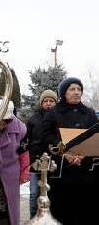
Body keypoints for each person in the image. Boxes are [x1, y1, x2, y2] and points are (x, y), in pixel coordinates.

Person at [41, 77, 98, 225]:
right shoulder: (53, 113)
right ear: (64, 93)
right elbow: (46, 135)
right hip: (61, 170)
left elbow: (95, 136)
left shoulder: (89, 114)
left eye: (79, 89)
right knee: (61, 211)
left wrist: (85, 153)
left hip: (84, 171)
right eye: (72, 89)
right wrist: (64, 153)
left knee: (84, 210)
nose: (76, 92)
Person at [26, 89, 57, 218]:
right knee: (34, 193)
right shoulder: (33, 119)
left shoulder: (60, 119)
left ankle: (51, 218)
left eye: (51, 101)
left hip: (54, 164)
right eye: (46, 101)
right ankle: (33, 218)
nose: (48, 103)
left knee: (52, 194)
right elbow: (26, 140)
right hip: (36, 162)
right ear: (41, 103)